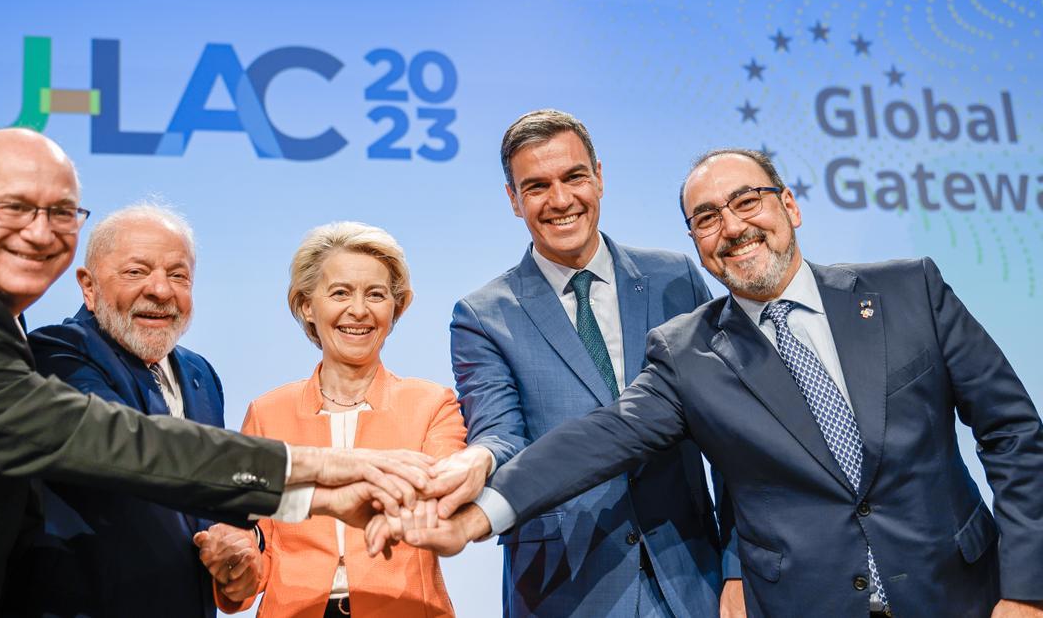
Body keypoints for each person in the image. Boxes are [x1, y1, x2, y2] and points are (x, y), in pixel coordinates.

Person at [402, 148, 1043, 617]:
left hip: (964, 597)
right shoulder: (689, 353)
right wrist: (479, 516)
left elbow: (1015, 436)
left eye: (746, 201)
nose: (732, 227)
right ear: (699, 247)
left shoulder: (910, 289)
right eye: (707, 218)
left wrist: (1026, 588)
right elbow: (598, 439)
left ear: (787, 205)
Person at [0, 128, 432, 617]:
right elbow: (114, 443)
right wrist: (325, 471)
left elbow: (207, 516)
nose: (41, 231)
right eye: (15, 207)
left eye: (62, 212)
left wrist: (239, 553)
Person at [438, 109, 732, 617]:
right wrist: (478, 461)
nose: (560, 200)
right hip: (564, 588)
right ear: (513, 200)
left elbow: (730, 431)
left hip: (692, 576)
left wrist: (738, 567)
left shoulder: (675, 278)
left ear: (600, 176)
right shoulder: (482, 316)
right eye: (536, 186)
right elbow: (500, 434)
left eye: (574, 177)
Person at [0, 204, 258, 617]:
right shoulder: (57, 355)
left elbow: (207, 505)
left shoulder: (200, 374)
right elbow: (141, 452)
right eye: (136, 272)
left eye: (178, 275)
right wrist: (287, 477)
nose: (160, 290)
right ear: (88, 285)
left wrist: (238, 547)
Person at [227, 222, 467, 617]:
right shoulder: (267, 413)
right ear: (307, 305)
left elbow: (441, 507)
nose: (359, 310)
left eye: (376, 295)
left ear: (396, 307)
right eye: (340, 293)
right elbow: (257, 548)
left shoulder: (432, 405)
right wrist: (235, 562)